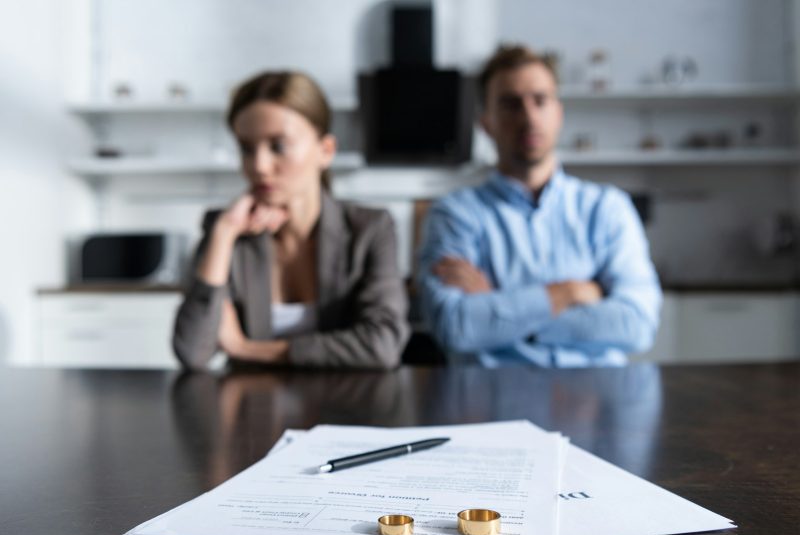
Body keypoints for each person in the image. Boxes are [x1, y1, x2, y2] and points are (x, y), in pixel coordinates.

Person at [417, 45, 662, 367]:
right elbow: (456, 326)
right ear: (486, 123)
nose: (529, 116)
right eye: (511, 104)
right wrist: (568, 294)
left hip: (596, 401)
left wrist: (499, 311)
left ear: (559, 112)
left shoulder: (607, 208)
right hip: (492, 402)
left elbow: (637, 324)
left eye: (540, 100)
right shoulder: (454, 214)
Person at [173, 71, 409, 370]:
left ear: (325, 151)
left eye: (278, 146)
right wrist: (224, 233)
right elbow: (192, 352)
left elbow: (383, 345)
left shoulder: (370, 229)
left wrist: (247, 349)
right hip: (252, 411)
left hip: (344, 408)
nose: (259, 166)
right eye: (247, 148)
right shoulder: (227, 230)